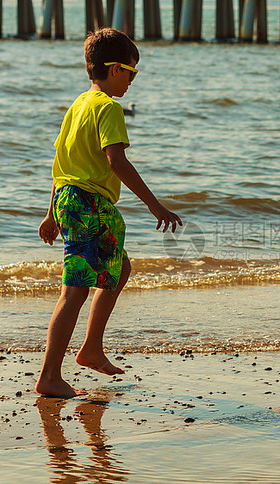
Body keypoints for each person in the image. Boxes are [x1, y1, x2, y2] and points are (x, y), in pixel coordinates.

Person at [35, 28, 182, 398]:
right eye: (131, 72)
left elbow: (60, 164)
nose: (132, 81)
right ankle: (50, 375)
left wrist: (52, 213)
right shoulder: (108, 107)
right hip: (89, 204)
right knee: (75, 291)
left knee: (121, 268)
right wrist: (154, 203)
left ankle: (91, 349)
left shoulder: (78, 105)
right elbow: (117, 161)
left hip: (69, 199)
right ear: (114, 70)